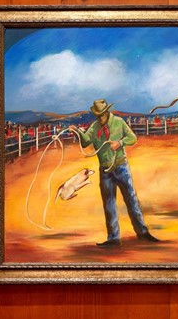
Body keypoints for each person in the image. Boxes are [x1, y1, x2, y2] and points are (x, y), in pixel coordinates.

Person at [69, 99, 159, 247]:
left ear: (106, 112)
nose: (100, 118)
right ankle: (113, 238)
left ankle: (142, 232)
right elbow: (85, 141)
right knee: (109, 204)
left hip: (121, 167)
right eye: (98, 116)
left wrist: (120, 143)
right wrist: (77, 131)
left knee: (131, 200)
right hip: (105, 170)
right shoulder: (95, 126)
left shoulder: (119, 122)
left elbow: (133, 138)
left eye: (102, 115)